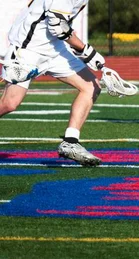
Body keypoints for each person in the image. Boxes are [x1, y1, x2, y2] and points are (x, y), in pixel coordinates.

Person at [1, 0, 105, 166]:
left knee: (91, 86)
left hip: (55, 50)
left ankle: (70, 143)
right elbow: (57, 26)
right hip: (29, 50)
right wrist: (87, 51)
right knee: (10, 103)